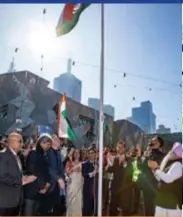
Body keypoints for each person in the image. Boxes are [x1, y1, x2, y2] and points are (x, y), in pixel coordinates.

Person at [0, 133, 36, 216]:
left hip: (16, 202)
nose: (22, 144)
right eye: (20, 141)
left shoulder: (16, 156)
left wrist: (24, 178)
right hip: (4, 203)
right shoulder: (3, 155)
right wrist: (22, 181)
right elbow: (2, 176)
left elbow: (14, 174)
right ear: (12, 142)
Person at [148, 142, 182, 216]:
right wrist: (154, 170)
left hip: (172, 202)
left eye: (172, 151)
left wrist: (156, 169)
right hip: (162, 200)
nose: (170, 152)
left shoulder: (178, 165)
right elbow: (161, 179)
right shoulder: (169, 164)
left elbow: (169, 179)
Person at [22, 133, 52, 216]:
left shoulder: (44, 156)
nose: (49, 147)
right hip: (31, 191)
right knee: (29, 213)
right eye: (48, 144)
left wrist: (46, 186)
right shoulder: (33, 153)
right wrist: (42, 186)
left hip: (40, 192)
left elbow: (47, 173)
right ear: (42, 142)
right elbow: (32, 172)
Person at [138, 135, 165, 216]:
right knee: (147, 209)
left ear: (158, 143)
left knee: (155, 209)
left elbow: (153, 165)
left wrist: (144, 157)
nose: (151, 140)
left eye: (154, 139)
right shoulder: (147, 153)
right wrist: (139, 156)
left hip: (155, 186)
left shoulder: (161, 155)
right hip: (146, 185)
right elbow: (141, 167)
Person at [106, 141, 129, 216]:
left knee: (125, 208)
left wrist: (124, 163)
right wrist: (109, 162)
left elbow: (130, 171)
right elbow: (108, 170)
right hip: (114, 186)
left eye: (121, 147)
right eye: (118, 147)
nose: (119, 149)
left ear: (124, 148)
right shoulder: (114, 158)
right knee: (113, 206)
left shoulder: (128, 158)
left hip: (125, 187)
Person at [46, 134, 65, 215]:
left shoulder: (58, 153)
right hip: (49, 184)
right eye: (56, 139)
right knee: (48, 208)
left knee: (57, 207)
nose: (59, 141)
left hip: (57, 185)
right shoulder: (48, 152)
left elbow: (60, 168)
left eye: (59, 140)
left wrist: (64, 177)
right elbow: (49, 168)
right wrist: (58, 178)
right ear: (52, 141)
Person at [66, 149, 83, 216]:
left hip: (79, 185)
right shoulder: (69, 163)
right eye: (75, 153)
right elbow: (66, 173)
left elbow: (84, 174)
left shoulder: (82, 164)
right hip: (71, 184)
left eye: (78, 153)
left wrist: (80, 170)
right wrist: (72, 170)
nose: (76, 154)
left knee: (78, 202)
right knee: (71, 201)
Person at [82, 147, 98, 216]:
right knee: (87, 208)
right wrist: (92, 173)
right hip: (87, 189)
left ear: (95, 154)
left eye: (92, 153)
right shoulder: (85, 164)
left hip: (96, 190)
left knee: (95, 208)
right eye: (89, 153)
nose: (91, 155)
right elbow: (84, 174)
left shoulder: (98, 163)